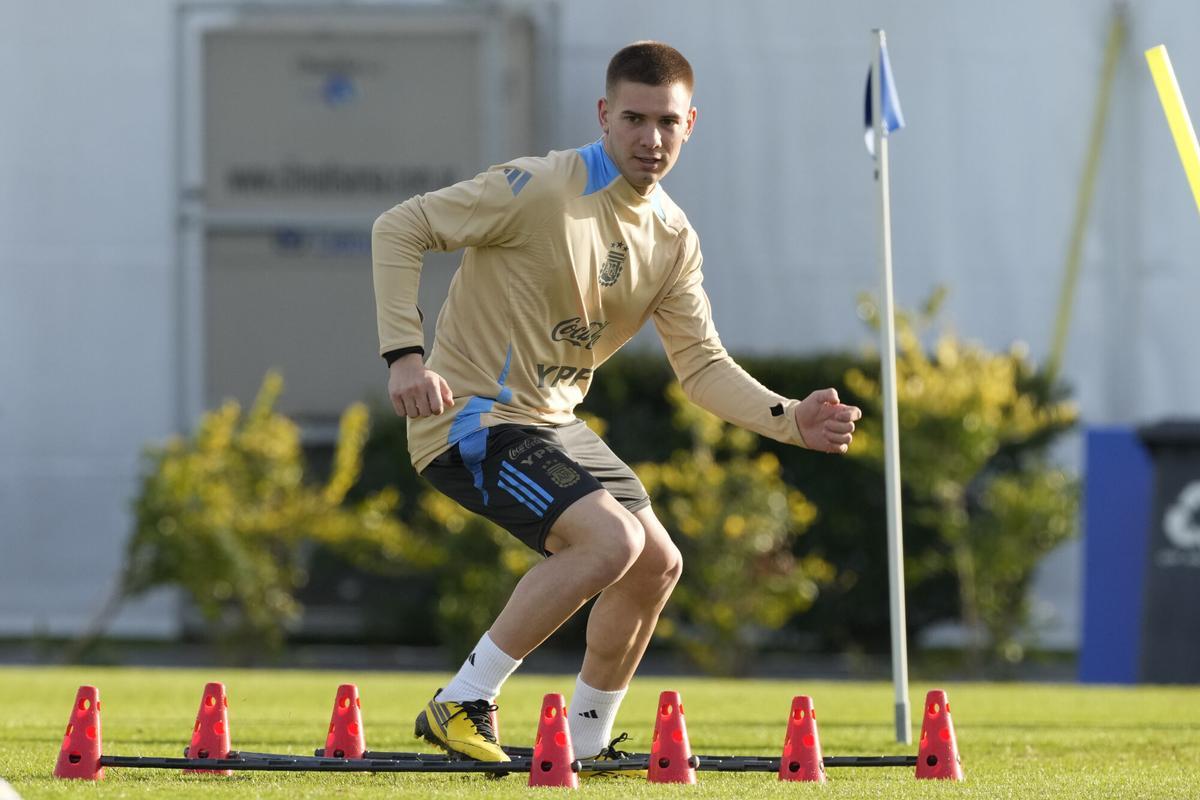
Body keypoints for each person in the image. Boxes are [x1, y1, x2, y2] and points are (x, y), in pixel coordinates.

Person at [371, 40, 862, 768]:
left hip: (552, 424)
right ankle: (462, 700)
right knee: (612, 543)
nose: (650, 138)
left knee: (656, 563)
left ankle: (585, 739)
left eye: (666, 121)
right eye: (634, 118)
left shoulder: (673, 238)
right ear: (604, 115)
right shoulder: (540, 187)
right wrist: (405, 357)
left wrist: (789, 418)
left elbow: (701, 366)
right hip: (471, 417)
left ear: (690, 123)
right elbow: (399, 227)